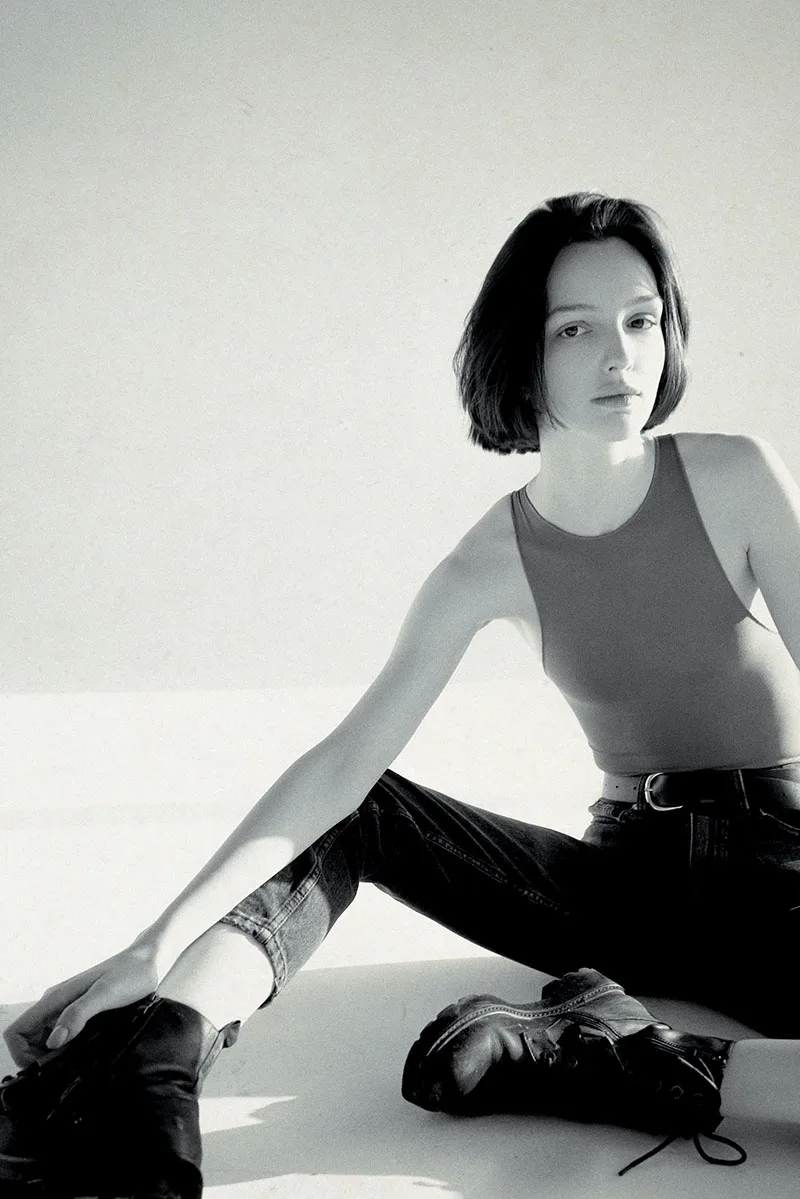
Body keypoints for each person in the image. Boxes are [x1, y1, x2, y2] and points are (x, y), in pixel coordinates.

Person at [4, 191, 800, 1196]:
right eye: (575, 328)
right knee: (368, 808)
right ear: (521, 351)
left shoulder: (735, 477)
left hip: (782, 871)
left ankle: (606, 1052)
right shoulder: (486, 563)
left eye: (641, 320)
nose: (620, 356)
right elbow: (345, 765)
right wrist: (153, 946)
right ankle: (153, 1057)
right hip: (621, 883)